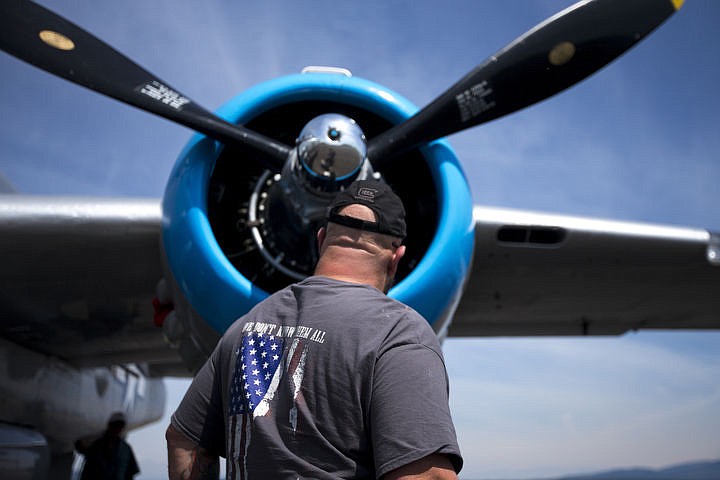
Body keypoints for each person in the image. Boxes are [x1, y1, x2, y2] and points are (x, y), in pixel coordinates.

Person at [167, 179, 463, 479]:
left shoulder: (244, 327)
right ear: (396, 258)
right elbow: (426, 476)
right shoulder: (398, 334)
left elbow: (183, 440)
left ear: (321, 239)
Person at [76, 411, 140, 480]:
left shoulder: (126, 449)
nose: (118, 429)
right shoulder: (97, 446)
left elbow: (130, 473)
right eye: (116, 425)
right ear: (110, 426)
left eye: (120, 426)